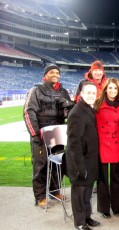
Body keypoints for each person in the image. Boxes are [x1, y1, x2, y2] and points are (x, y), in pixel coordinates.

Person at [23, 63, 74, 208]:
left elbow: (69, 112)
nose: (55, 75)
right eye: (52, 72)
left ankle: (55, 191)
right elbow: (28, 111)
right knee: (40, 165)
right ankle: (39, 196)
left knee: (57, 163)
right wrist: (35, 133)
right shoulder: (36, 90)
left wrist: (68, 106)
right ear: (45, 74)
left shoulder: (63, 91)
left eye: (57, 73)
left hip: (57, 133)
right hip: (41, 134)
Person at [66, 82, 101, 230]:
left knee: (87, 192)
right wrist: (79, 166)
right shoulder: (76, 113)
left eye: (94, 93)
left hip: (90, 159)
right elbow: (74, 143)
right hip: (80, 161)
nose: (91, 95)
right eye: (88, 93)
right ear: (81, 93)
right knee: (79, 193)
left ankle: (87, 217)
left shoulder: (89, 108)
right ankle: (80, 222)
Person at [95, 78, 119, 218]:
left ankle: (115, 207)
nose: (113, 91)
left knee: (116, 178)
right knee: (102, 179)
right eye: (110, 88)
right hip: (102, 145)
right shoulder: (97, 104)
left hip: (117, 144)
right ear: (105, 89)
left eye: (115, 88)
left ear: (118, 90)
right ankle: (104, 209)